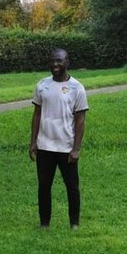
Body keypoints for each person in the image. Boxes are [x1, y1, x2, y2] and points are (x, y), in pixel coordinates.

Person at [29, 48, 88, 229]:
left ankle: (74, 223)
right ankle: (44, 223)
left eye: (59, 61)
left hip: (66, 147)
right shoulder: (42, 85)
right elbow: (37, 114)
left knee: (72, 187)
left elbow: (80, 120)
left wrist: (76, 148)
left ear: (67, 62)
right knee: (44, 186)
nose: (55, 64)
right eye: (53, 61)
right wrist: (33, 143)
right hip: (45, 145)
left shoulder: (77, 88)